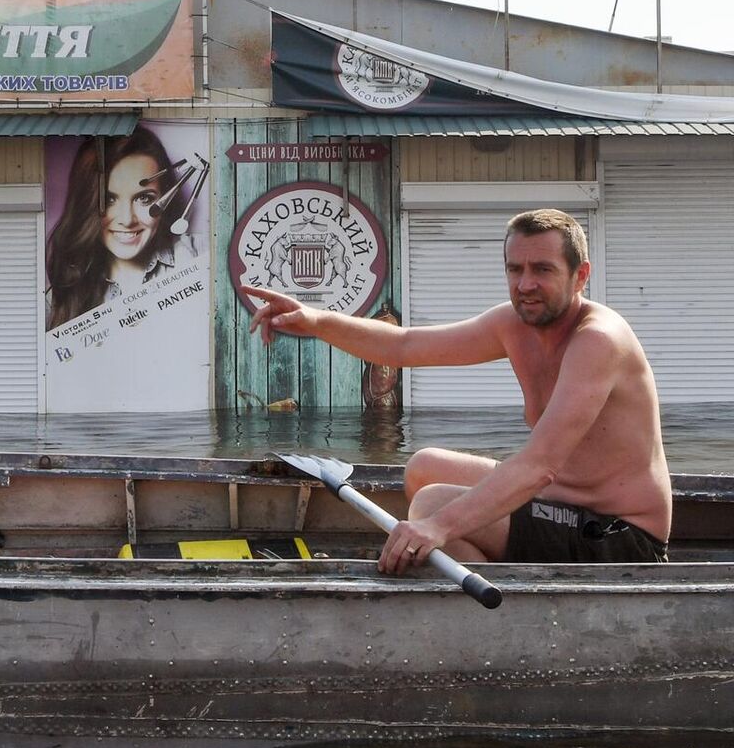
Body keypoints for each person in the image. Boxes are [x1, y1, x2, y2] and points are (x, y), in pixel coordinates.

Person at [243, 207, 670, 571]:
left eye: (543, 270)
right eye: (515, 269)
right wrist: (315, 320)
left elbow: (539, 466)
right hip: (561, 503)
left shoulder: (598, 339)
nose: (525, 285)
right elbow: (404, 344)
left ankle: (501, 616)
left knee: (432, 506)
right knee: (424, 467)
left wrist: (437, 527)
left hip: (619, 538)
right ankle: (487, 580)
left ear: (581, 276)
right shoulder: (513, 324)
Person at [45, 126, 199, 328]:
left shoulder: (200, 254)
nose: (127, 220)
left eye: (144, 198)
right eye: (109, 200)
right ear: (86, 203)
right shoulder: (60, 296)